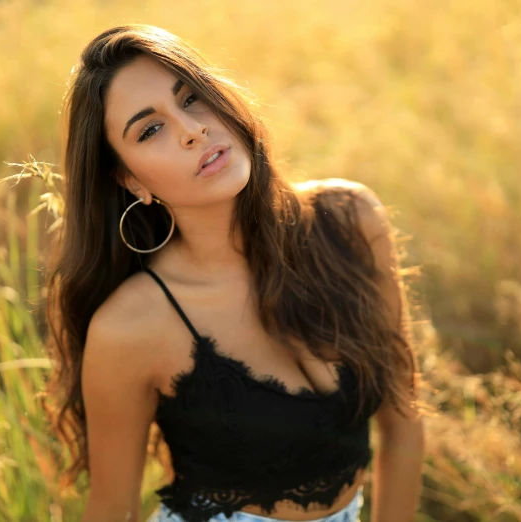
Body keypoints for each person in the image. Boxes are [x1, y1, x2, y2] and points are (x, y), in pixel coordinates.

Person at [41, 24, 425, 522]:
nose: (192, 130)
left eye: (192, 98)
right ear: (132, 179)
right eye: (150, 129)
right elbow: (112, 510)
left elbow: (404, 421)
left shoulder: (352, 220)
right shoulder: (131, 328)